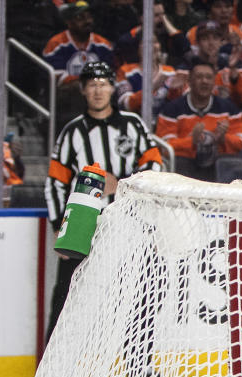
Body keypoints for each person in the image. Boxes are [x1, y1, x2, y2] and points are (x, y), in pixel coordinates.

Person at [44, 61, 163, 341]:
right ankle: (49, 365)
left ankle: (139, 362)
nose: (98, 90)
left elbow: (156, 167)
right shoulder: (72, 132)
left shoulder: (133, 125)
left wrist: (122, 184)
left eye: (103, 84)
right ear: (83, 90)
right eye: (92, 85)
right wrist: (58, 225)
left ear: (112, 88)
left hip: (129, 220)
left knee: (142, 290)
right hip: (84, 224)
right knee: (67, 293)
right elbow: (55, 182)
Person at [155, 60, 242, 181]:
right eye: (199, 77)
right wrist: (191, 141)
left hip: (219, 167)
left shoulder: (229, 109)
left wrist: (223, 139)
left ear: (214, 81)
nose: (204, 81)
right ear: (189, 81)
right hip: (184, 168)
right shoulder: (172, 109)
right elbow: (164, 148)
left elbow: (241, 143)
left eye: (209, 77)